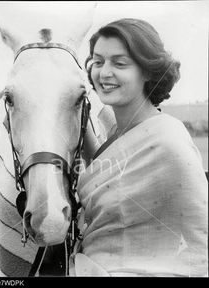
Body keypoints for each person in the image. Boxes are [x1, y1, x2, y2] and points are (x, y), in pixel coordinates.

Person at [69, 18, 208, 277]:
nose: (104, 73)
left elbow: (202, 240)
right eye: (97, 62)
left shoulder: (168, 140)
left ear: (148, 72)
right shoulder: (113, 133)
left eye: (119, 63)